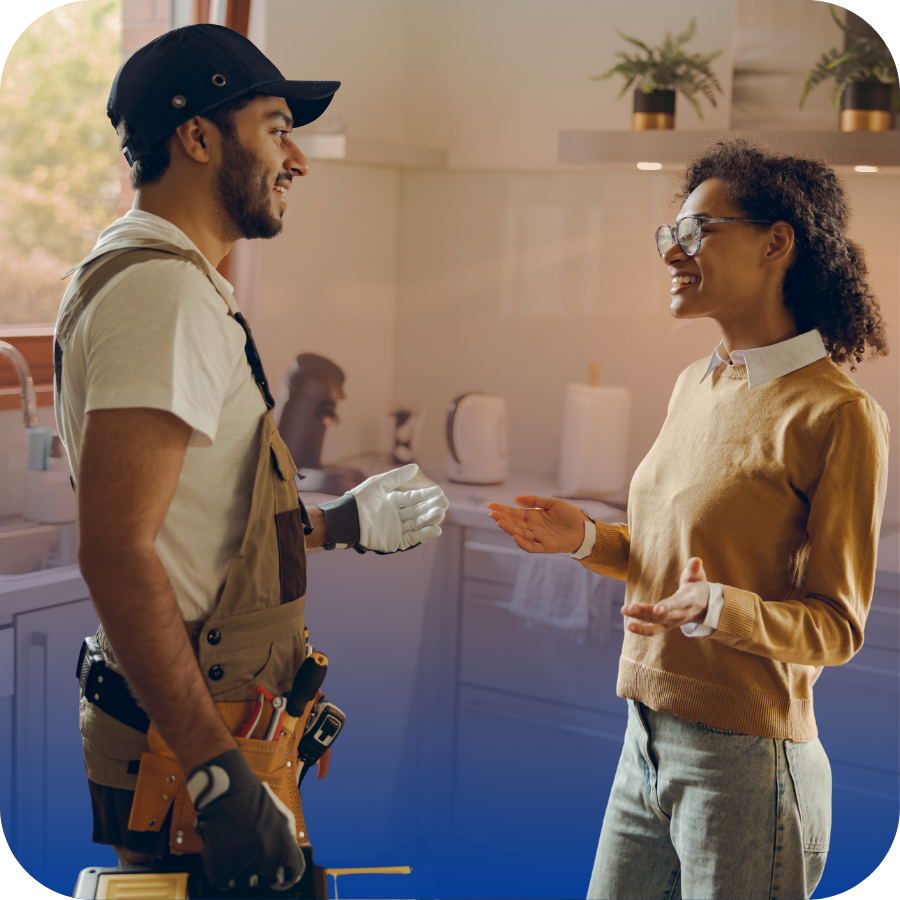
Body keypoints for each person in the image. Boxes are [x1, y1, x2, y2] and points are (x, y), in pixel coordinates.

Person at [55, 23, 448, 895]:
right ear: (196, 137)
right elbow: (118, 552)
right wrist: (214, 773)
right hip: (193, 749)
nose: (296, 158)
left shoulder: (163, 280)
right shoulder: (163, 294)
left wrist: (338, 523)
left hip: (221, 731)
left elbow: (193, 527)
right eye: (275, 128)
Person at [488, 137, 890, 900]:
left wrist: (718, 609)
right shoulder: (694, 384)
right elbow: (676, 564)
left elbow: (836, 627)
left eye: (697, 231)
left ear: (778, 243)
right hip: (643, 740)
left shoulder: (838, 414)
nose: (673, 251)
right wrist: (586, 542)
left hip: (748, 766)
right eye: (668, 234)